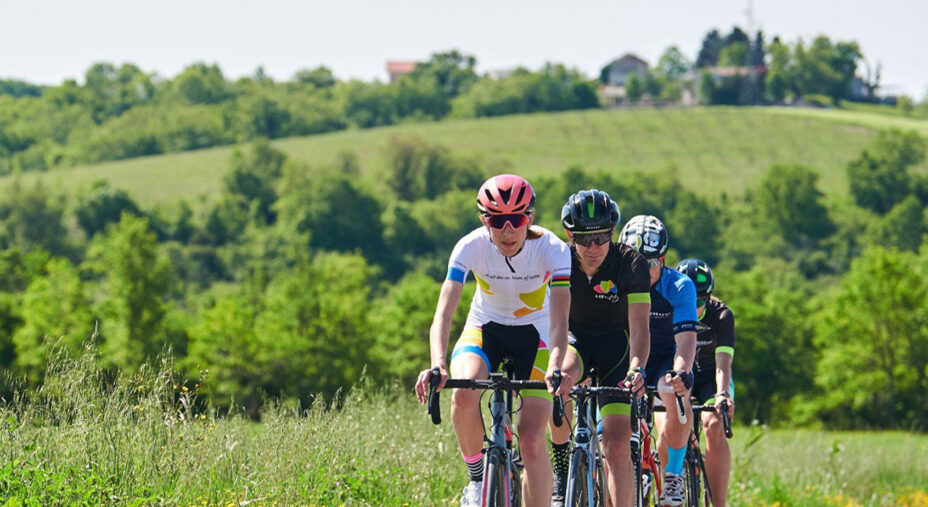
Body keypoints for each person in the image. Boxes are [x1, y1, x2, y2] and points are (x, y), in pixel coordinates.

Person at [414, 174, 574, 507]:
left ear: (529, 217)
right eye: (496, 220)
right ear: (483, 220)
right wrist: (438, 364)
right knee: (463, 391)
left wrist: (556, 366)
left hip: (539, 336)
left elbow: (560, 321)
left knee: (531, 438)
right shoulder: (469, 246)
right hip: (486, 327)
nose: (507, 230)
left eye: (516, 220)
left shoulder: (553, 249)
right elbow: (443, 315)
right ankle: (476, 480)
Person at [547, 189, 651, 507]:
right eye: (584, 239)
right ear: (569, 235)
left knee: (618, 446)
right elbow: (554, 322)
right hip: (575, 339)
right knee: (560, 377)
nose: (593, 248)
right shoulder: (560, 261)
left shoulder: (631, 263)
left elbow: (640, 327)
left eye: (602, 238)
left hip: (615, 349)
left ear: (613, 232)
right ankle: (562, 466)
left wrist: (637, 366)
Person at [618, 215, 698, 507]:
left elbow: (686, 340)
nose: (640, 270)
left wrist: (681, 373)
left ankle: (673, 475)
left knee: (674, 395)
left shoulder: (679, 286)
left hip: (665, 358)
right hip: (626, 358)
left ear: (663, 260)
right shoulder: (615, 281)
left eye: (649, 264)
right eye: (633, 262)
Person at [676, 259, 735, 507]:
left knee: (713, 423)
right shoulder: (670, 309)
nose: (694, 306)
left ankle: (718, 502)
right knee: (673, 418)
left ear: (708, 298)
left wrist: (722, 394)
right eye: (689, 300)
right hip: (682, 376)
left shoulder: (721, 315)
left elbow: (723, 364)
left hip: (711, 379)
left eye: (700, 301)